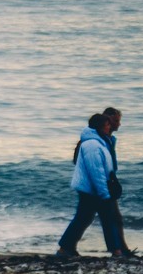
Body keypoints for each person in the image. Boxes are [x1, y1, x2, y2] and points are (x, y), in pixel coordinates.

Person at [51, 109, 129, 260]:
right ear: (101, 126)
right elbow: (96, 172)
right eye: (108, 124)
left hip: (92, 188)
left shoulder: (100, 141)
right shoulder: (93, 145)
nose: (112, 126)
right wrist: (104, 192)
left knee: (84, 218)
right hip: (93, 189)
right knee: (108, 218)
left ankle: (66, 248)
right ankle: (117, 251)